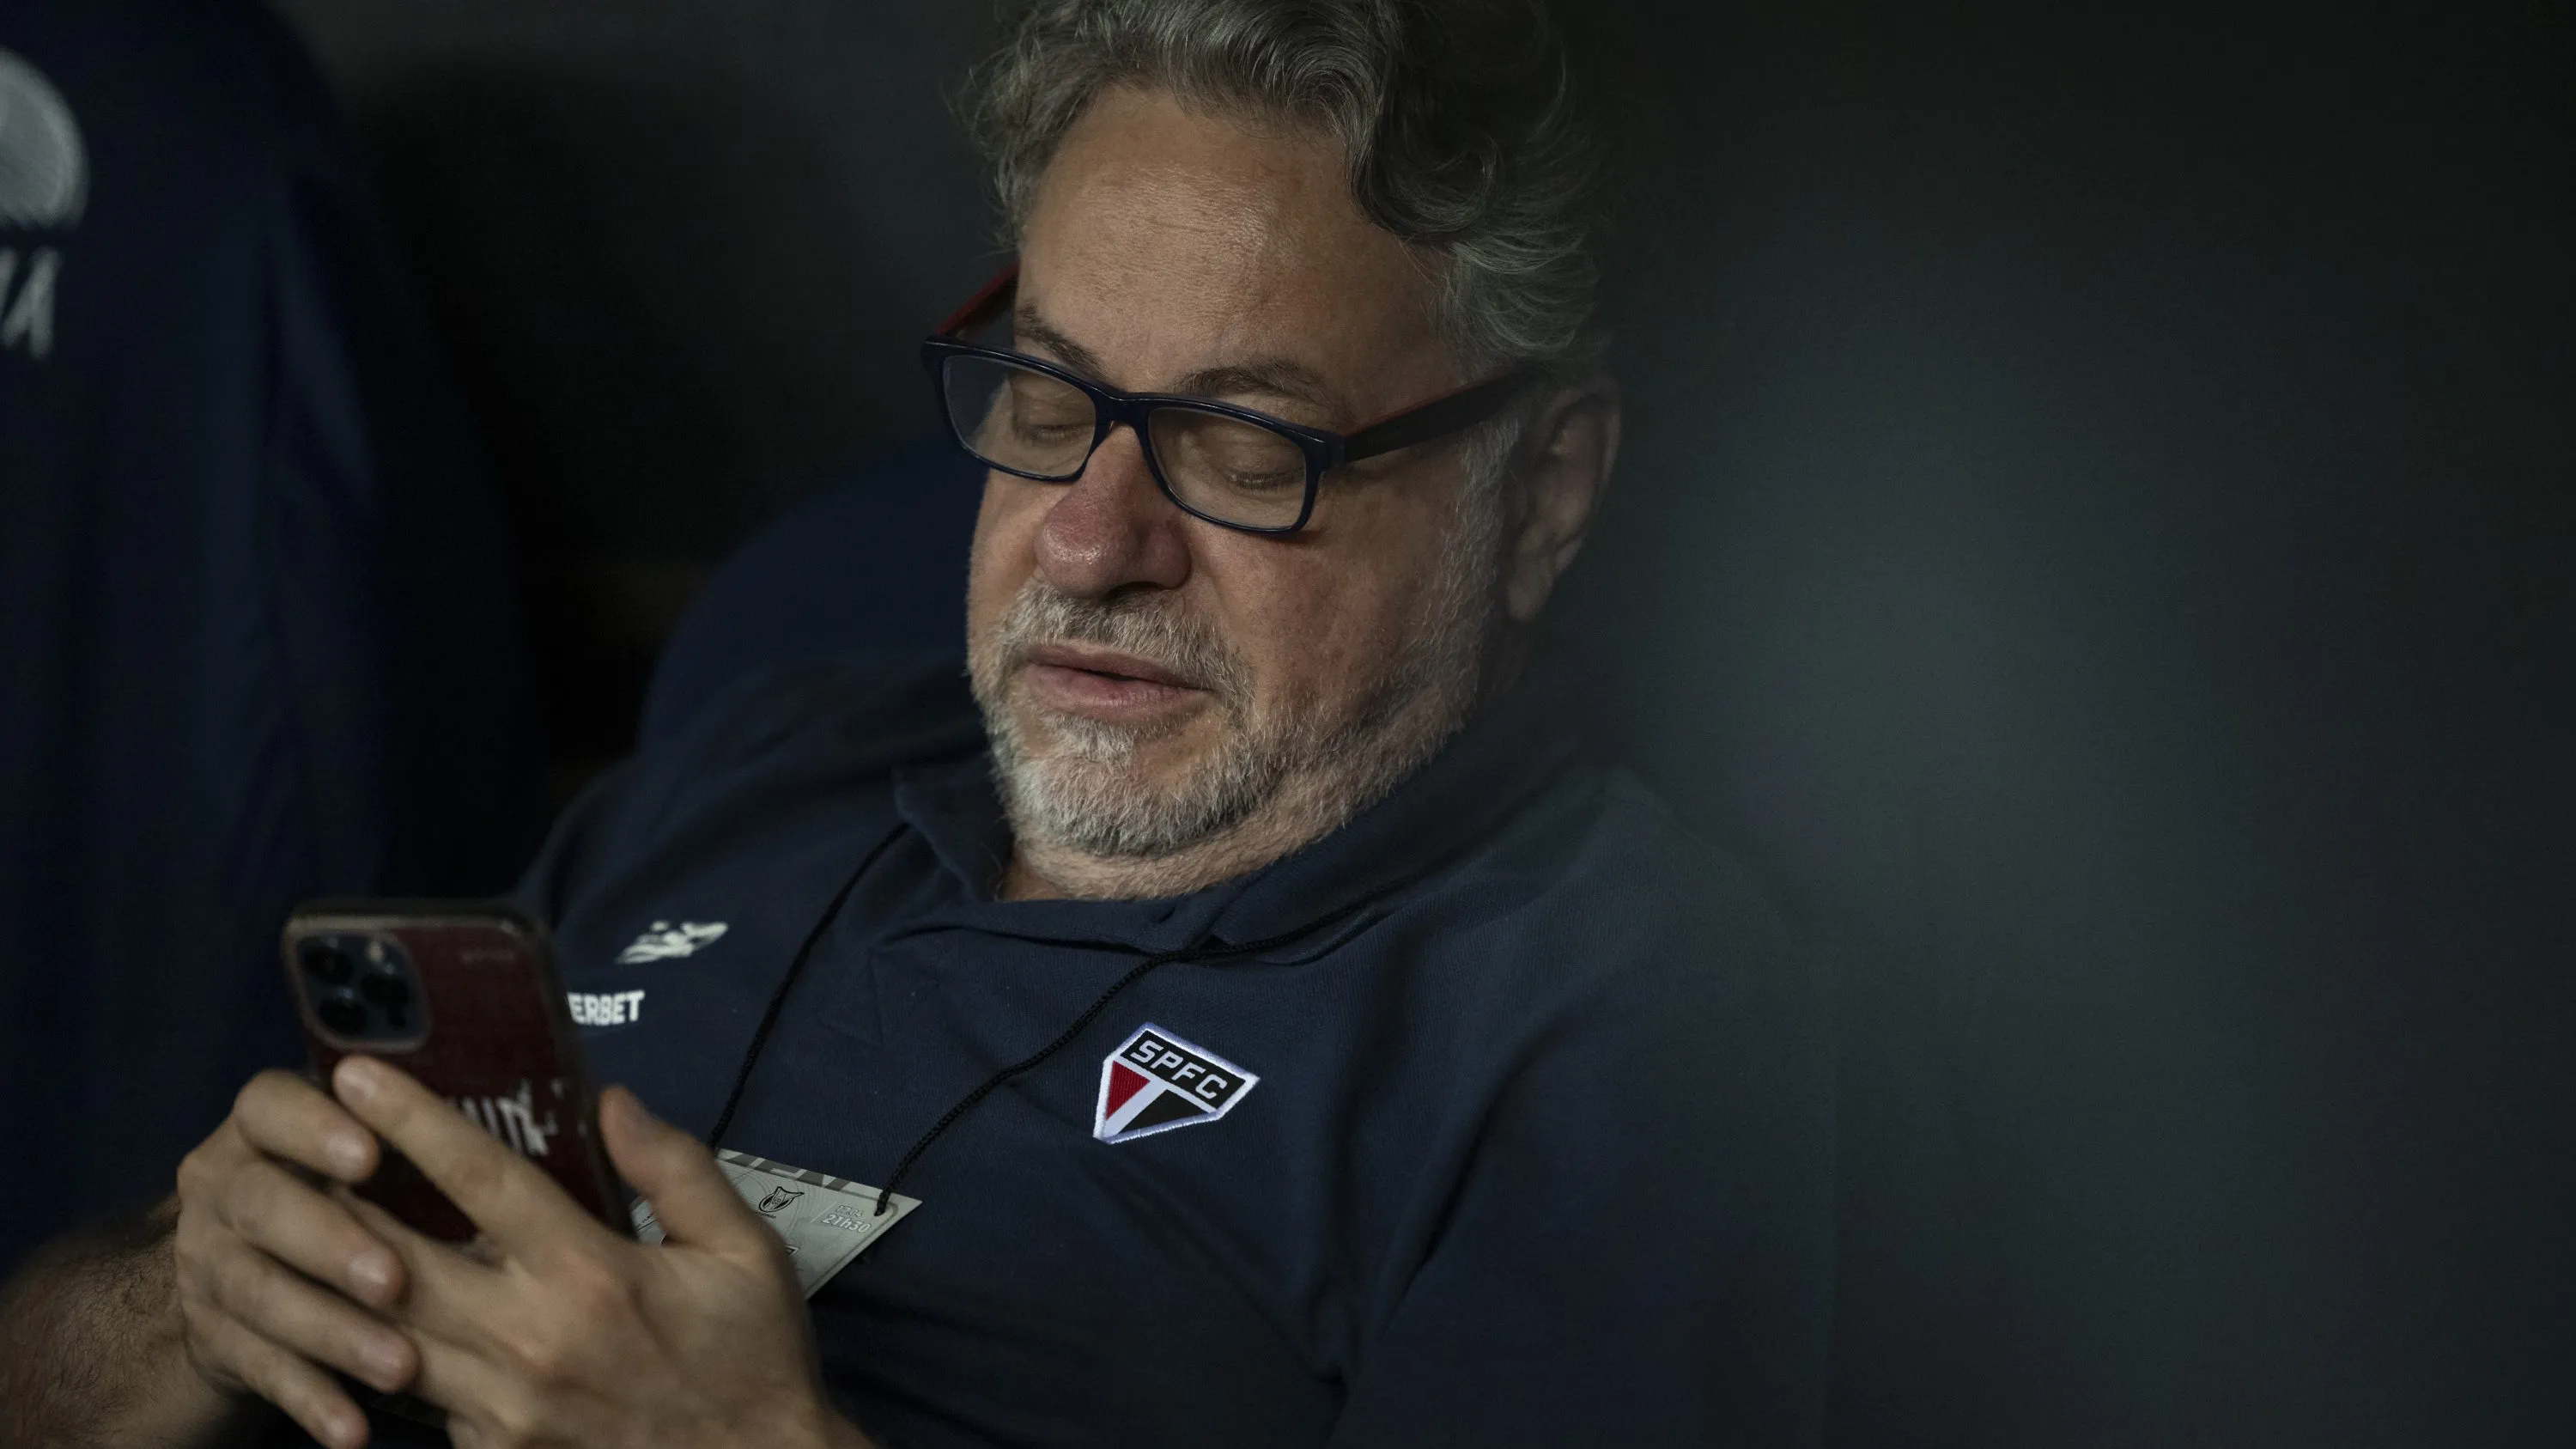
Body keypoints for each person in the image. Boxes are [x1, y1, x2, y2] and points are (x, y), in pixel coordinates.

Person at [0, 2, 1832, 1445]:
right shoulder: (756, 757)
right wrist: (188, 1297)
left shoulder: (1629, 1032)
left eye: (1240, 443)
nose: (1095, 541)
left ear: (1553, 490)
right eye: (1048, 394)